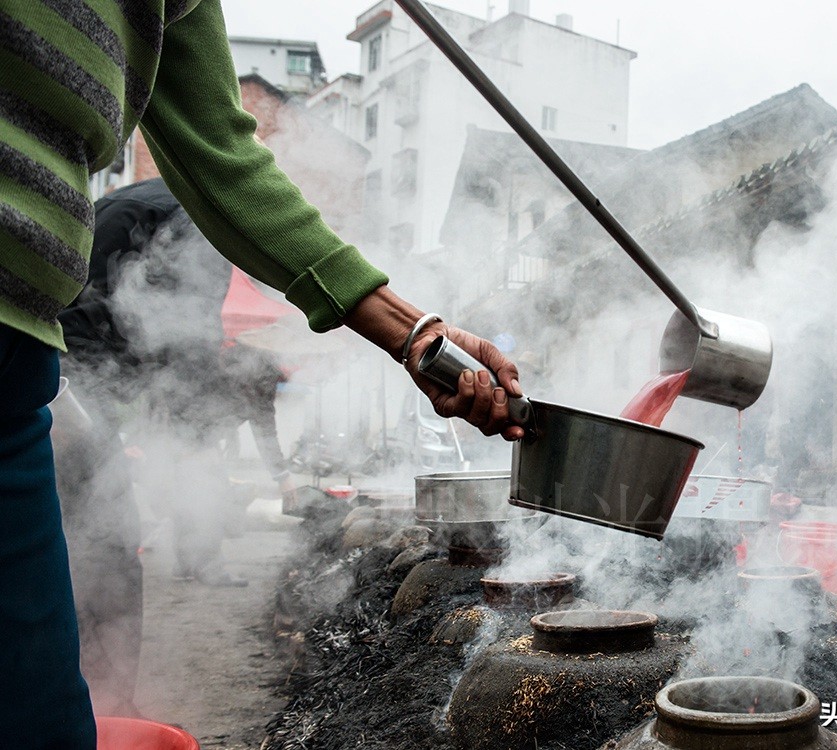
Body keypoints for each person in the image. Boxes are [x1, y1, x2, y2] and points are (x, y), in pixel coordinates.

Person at [0, 3, 523, 747]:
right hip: (54, 356)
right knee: (98, 500)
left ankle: (110, 699)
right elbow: (102, 332)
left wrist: (416, 337)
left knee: (43, 706)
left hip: (15, 365)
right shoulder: (138, 223)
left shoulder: (216, 297)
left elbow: (223, 156)